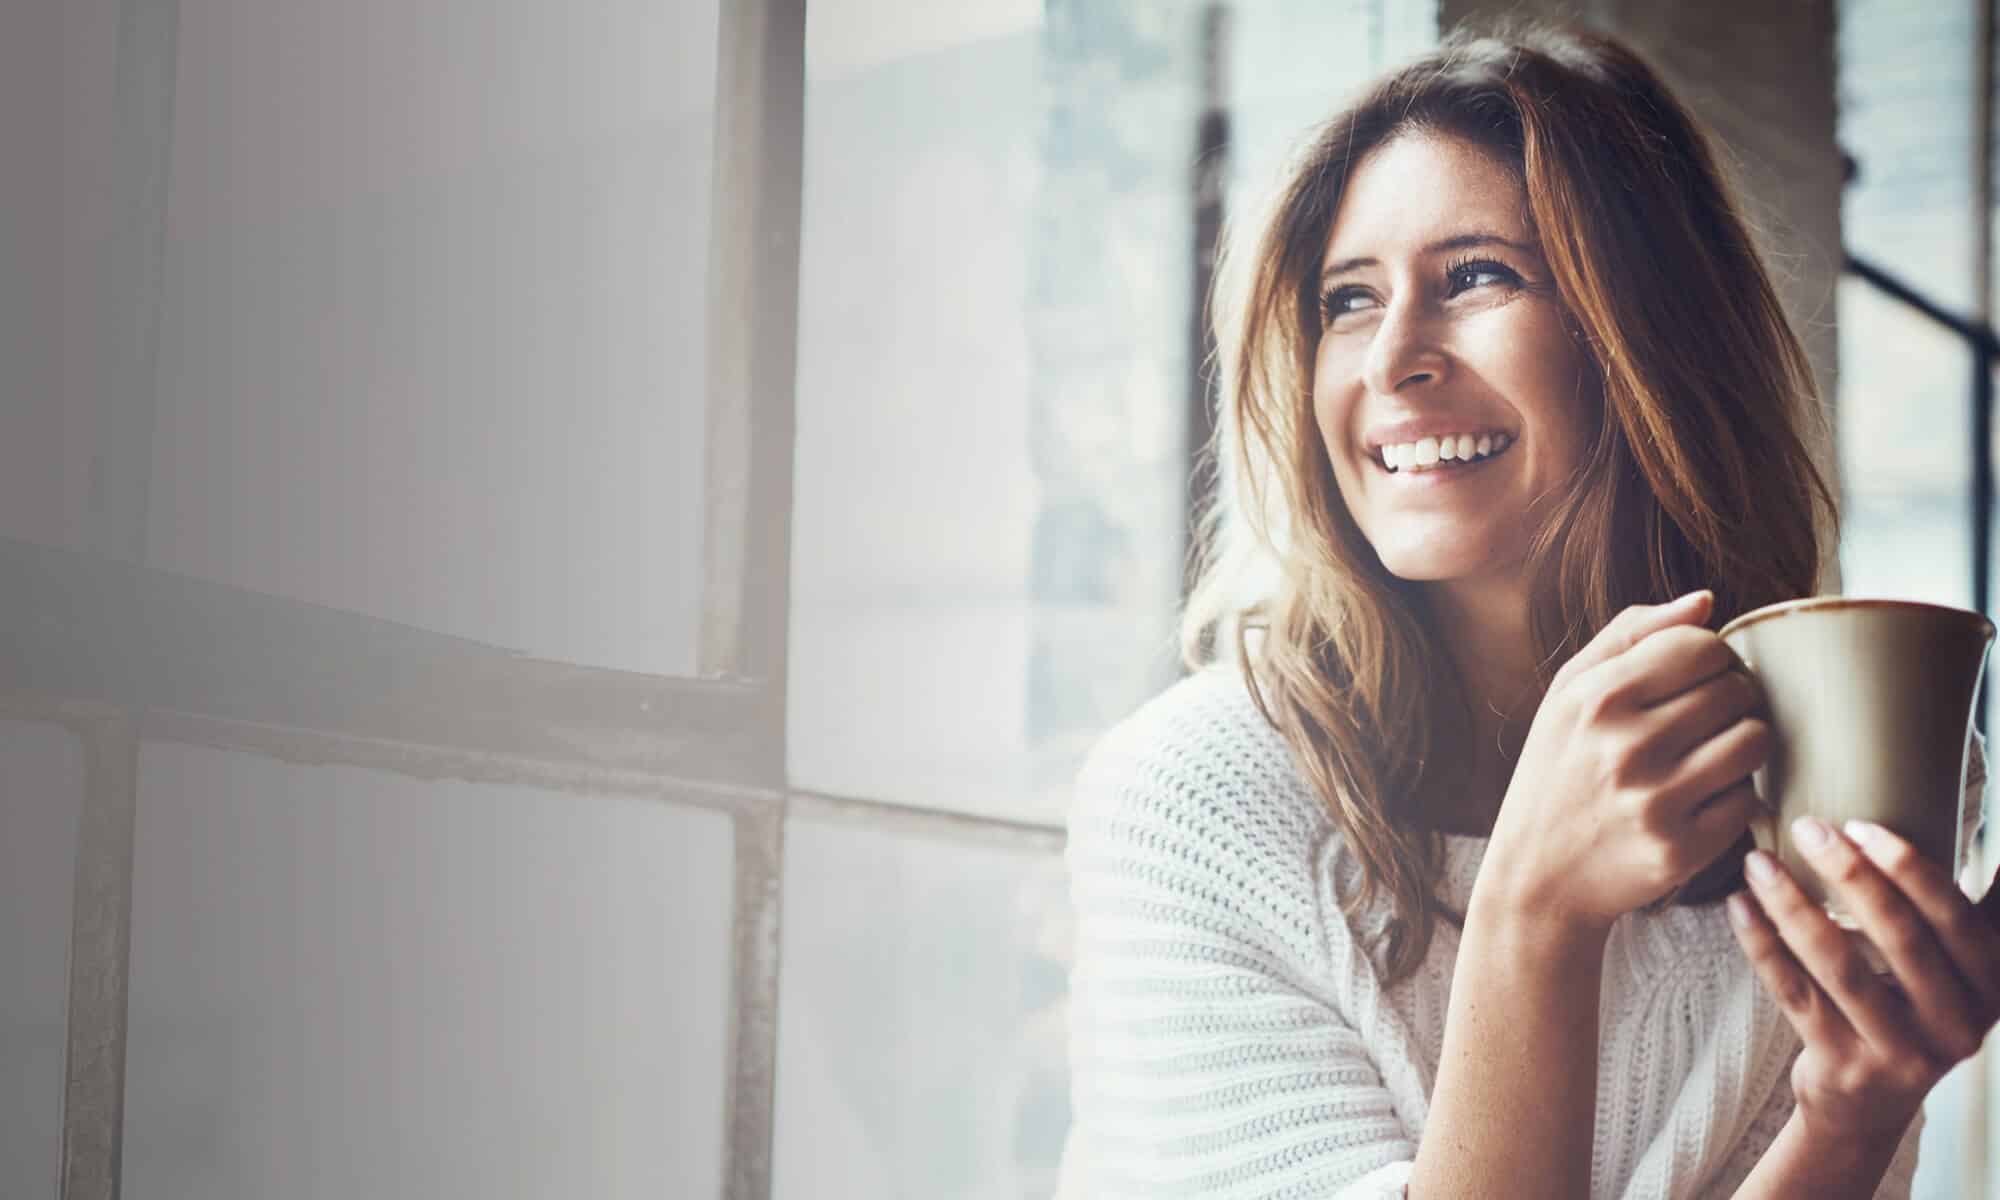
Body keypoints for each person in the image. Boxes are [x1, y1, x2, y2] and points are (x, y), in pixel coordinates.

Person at [1055, 21, 2000, 1199]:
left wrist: (1849, 1117)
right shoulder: (1191, 796)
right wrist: (1532, 913)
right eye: (1346, 300)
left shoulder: (1811, 783)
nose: (1391, 358)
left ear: (1644, 335)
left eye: (1475, 277)